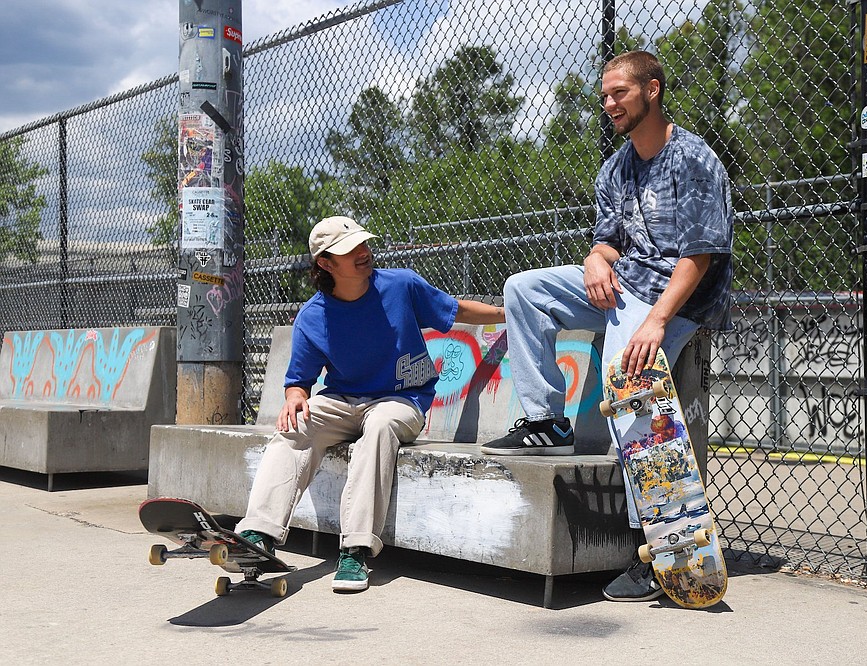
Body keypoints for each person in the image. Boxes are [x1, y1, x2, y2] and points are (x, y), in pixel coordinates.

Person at [481, 50, 734, 602]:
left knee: (630, 384)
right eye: (604, 96)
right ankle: (548, 421)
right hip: (624, 287)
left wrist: (657, 321)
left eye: (619, 92)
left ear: (653, 90)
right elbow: (607, 240)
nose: (609, 103)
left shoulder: (693, 160)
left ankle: (664, 548)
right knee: (524, 289)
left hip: (675, 298)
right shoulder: (616, 167)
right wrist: (596, 259)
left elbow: (701, 257)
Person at [236, 215, 505, 592]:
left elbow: (455, 310)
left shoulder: (401, 285)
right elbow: (299, 382)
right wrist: (294, 399)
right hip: (343, 401)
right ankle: (257, 535)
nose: (363, 253)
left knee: (378, 427)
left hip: (403, 401)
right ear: (326, 264)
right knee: (295, 428)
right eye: (350, 250)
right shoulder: (314, 317)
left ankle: (356, 550)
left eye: (363, 244)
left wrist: (509, 314)